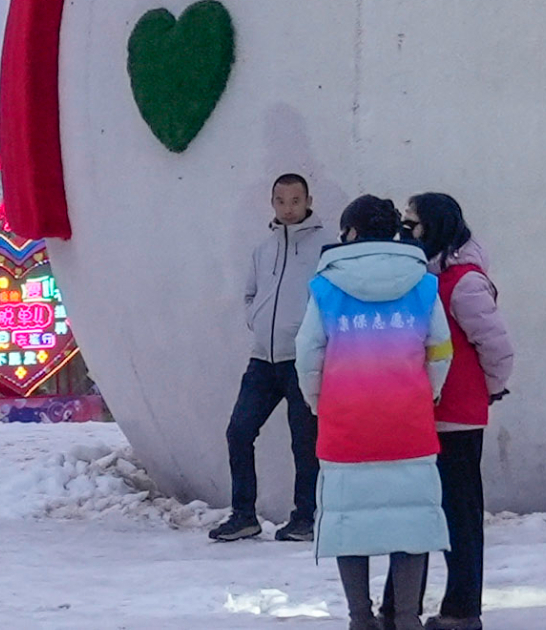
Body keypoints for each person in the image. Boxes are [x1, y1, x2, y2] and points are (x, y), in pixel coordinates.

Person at [297, 194, 450, 630]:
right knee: (411, 524)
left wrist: (317, 401)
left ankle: (360, 618)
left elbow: (308, 352)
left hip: (346, 426)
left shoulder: (326, 287)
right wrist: (427, 393)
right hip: (409, 423)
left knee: (351, 526)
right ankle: (405, 618)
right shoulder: (423, 284)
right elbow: (440, 349)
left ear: (351, 234)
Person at [405, 192, 515, 630]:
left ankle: (463, 607)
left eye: (413, 223)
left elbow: (499, 349)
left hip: (458, 416)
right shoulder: (429, 278)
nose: (408, 231)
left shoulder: (463, 283)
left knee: (460, 514)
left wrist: (484, 390)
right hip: (427, 413)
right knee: (427, 510)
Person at [212, 173, 328, 544]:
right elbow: (250, 295)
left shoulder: (325, 248)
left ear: (308, 201)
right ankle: (243, 514)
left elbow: (330, 300)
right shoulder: (263, 249)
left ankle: (305, 516)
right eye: (281, 200)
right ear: (272, 203)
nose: (288, 208)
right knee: (239, 431)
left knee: (304, 441)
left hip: (302, 359)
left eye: (296, 200)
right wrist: (255, 321)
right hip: (263, 359)